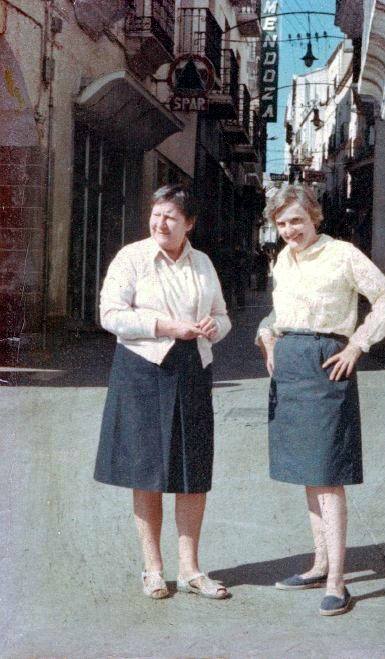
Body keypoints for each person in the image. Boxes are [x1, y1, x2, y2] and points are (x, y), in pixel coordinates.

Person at [257, 184, 385, 616]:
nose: (289, 230)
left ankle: (338, 581)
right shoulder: (283, 258)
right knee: (307, 469)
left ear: (314, 217)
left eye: (296, 221)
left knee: (328, 472)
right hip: (290, 364)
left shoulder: (343, 254)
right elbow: (280, 311)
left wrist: (358, 345)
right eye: (281, 224)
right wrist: (266, 334)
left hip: (326, 362)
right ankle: (320, 563)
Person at [94, 184, 231, 600]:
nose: (160, 223)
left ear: (189, 224)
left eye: (171, 216)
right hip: (141, 370)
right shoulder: (132, 258)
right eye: (156, 214)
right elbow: (110, 314)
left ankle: (191, 570)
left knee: (193, 473)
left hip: (193, 369)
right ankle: (153, 569)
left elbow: (223, 316)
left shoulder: (203, 263)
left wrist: (213, 328)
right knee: (147, 470)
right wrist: (165, 327)